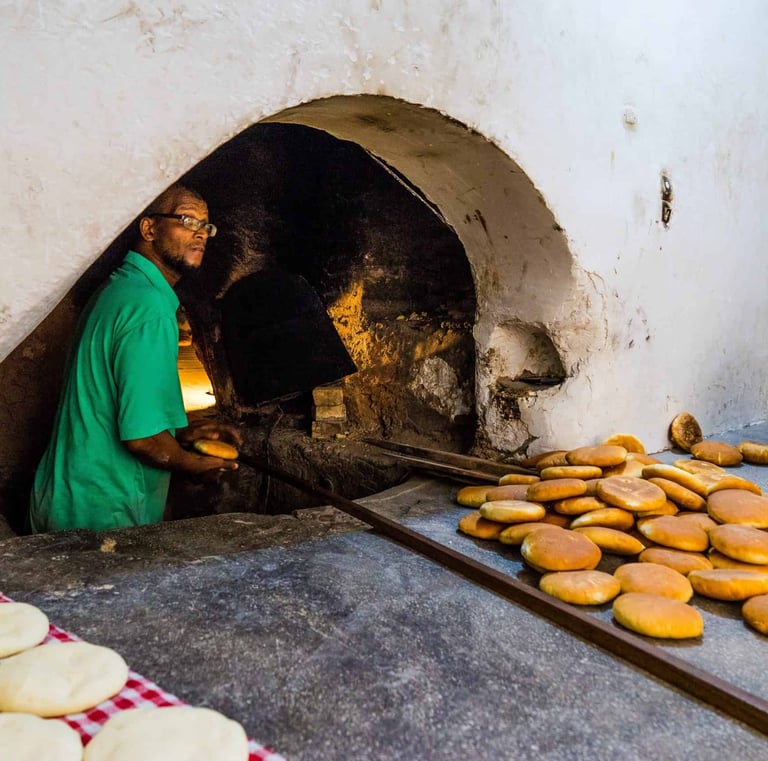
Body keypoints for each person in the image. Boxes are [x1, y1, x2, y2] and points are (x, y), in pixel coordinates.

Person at [29, 184, 241, 532]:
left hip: (67, 495)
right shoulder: (148, 308)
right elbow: (142, 439)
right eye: (187, 220)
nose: (201, 233)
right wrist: (194, 465)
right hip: (101, 514)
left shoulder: (121, 289)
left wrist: (184, 430)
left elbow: (118, 401)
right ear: (149, 228)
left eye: (206, 225)